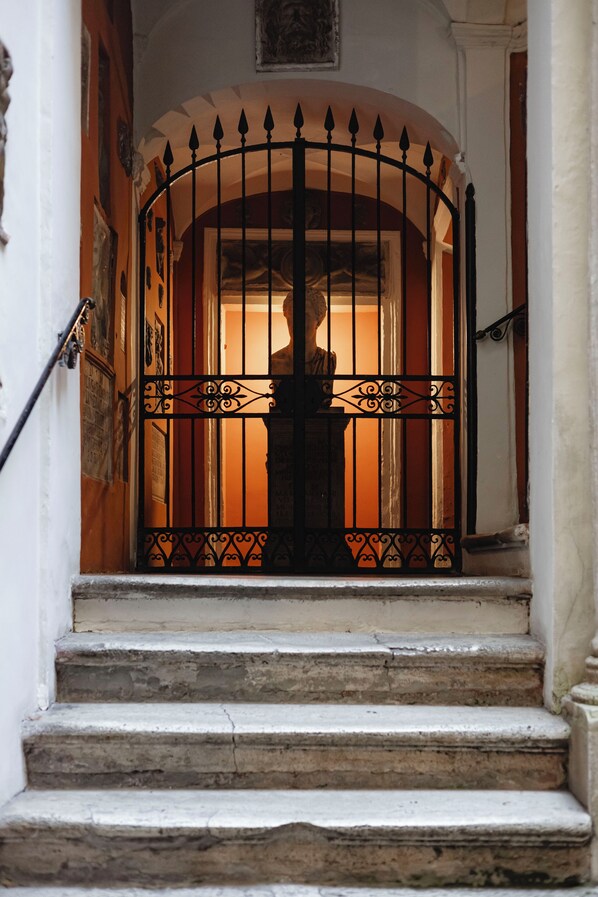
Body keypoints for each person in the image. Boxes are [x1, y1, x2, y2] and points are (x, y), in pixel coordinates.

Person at [270, 287, 336, 411]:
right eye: (293, 315)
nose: (297, 322)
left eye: (304, 315)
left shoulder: (327, 362)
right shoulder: (275, 361)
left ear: (319, 319)